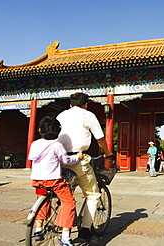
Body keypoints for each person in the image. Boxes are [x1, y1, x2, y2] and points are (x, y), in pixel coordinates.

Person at [56, 92, 112, 243]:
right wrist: (107, 153)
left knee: (63, 193)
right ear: (85, 104)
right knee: (93, 195)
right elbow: (100, 138)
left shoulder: (61, 115)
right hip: (78, 159)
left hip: (59, 158)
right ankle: (86, 230)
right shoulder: (88, 115)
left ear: (70, 104)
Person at [28, 116, 83, 246]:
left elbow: (32, 157)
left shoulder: (34, 144)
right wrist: (78, 157)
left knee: (42, 198)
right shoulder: (56, 145)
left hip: (37, 180)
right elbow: (66, 161)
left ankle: (38, 229)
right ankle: (65, 237)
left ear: (40, 130)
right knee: (69, 202)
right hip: (53, 181)